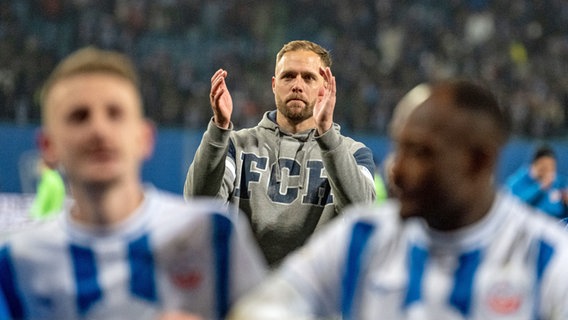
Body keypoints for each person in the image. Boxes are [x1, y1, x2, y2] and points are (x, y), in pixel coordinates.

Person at [227, 80, 568, 319]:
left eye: (420, 152)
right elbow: (265, 306)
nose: (396, 169)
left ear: (478, 161)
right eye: (398, 147)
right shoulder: (361, 237)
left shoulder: (548, 258)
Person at [0, 47, 266, 320]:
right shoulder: (17, 263)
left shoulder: (211, 233)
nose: (99, 130)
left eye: (115, 114)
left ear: (144, 138)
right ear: (48, 146)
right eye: (79, 116)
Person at [184, 40, 376, 267]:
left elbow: (363, 214)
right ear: (274, 84)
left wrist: (327, 135)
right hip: (247, 288)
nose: (297, 85)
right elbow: (199, 204)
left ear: (325, 87)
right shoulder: (236, 145)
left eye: (308, 77)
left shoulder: (354, 154)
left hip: (316, 294)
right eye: (288, 76)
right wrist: (219, 128)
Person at [505, 144, 568, 219]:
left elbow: (557, 213)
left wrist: (565, 203)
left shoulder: (560, 182)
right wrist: (540, 188)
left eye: (552, 167)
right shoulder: (516, 182)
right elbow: (514, 207)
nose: (548, 171)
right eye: (544, 167)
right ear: (534, 165)